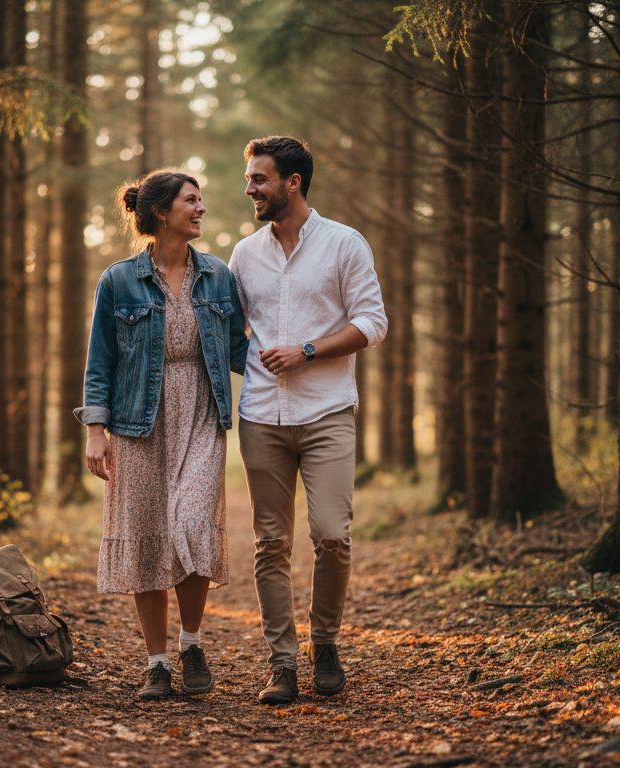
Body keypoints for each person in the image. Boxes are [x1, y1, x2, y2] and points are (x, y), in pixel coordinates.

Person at [74, 169, 249, 701]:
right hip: (136, 420)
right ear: (160, 213)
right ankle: (157, 662)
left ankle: (192, 642)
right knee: (149, 535)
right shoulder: (119, 280)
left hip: (200, 407)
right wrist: (96, 431)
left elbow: (242, 348)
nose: (201, 209)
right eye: (191, 201)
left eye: (201, 200)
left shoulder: (219, 276)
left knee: (192, 522)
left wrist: (299, 357)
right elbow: (99, 360)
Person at [229, 136, 388, 705]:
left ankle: (325, 643)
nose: (250, 188)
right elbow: (229, 329)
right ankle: (282, 663)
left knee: (331, 535)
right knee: (270, 542)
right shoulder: (245, 254)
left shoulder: (345, 244)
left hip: (326, 412)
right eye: (249, 179)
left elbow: (373, 322)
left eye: (259, 179)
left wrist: (309, 350)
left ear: (292, 182)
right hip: (261, 417)